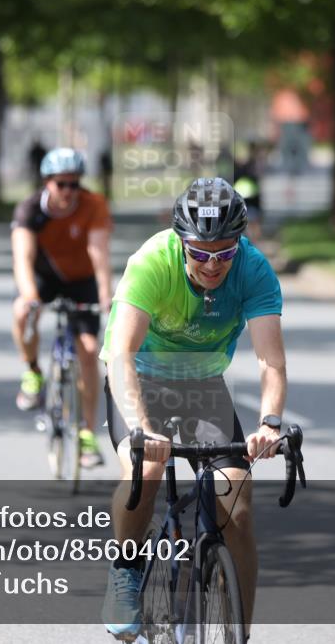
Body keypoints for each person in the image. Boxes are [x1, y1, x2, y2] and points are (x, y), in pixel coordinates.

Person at [100, 177, 287, 638]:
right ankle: (126, 568)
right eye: (200, 253)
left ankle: (238, 630)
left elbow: (270, 360)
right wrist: (142, 426)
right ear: (182, 241)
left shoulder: (254, 269)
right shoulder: (152, 262)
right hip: (139, 381)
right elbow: (121, 352)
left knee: (236, 504)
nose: (212, 264)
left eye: (224, 253)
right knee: (143, 472)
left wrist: (270, 422)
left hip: (203, 384)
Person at [11, 147, 112, 468]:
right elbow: (23, 258)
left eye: (74, 183)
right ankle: (32, 372)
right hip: (45, 276)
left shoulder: (93, 205)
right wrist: (30, 296)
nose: (68, 191)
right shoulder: (30, 209)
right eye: (61, 184)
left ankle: (86, 433)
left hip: (82, 280)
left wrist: (106, 293)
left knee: (89, 347)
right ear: (47, 182)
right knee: (22, 311)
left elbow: (99, 253)